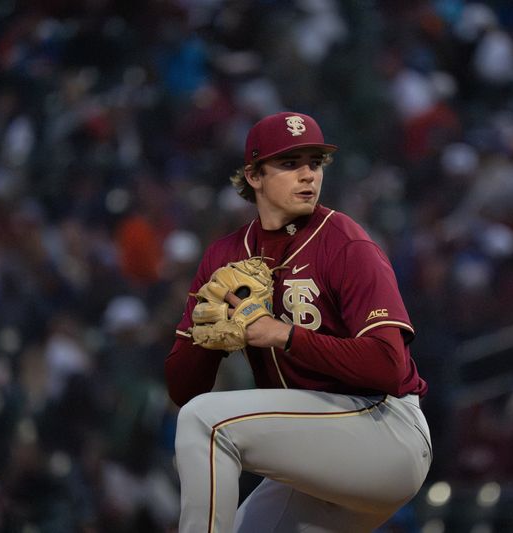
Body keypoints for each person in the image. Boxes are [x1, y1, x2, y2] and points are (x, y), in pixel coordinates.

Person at [164, 111, 432, 532]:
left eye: (315, 162)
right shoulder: (224, 256)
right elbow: (184, 390)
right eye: (290, 164)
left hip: (386, 432)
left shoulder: (345, 242)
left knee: (207, 422)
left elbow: (389, 366)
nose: (308, 175)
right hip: (315, 452)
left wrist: (285, 335)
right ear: (253, 175)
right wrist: (207, 341)